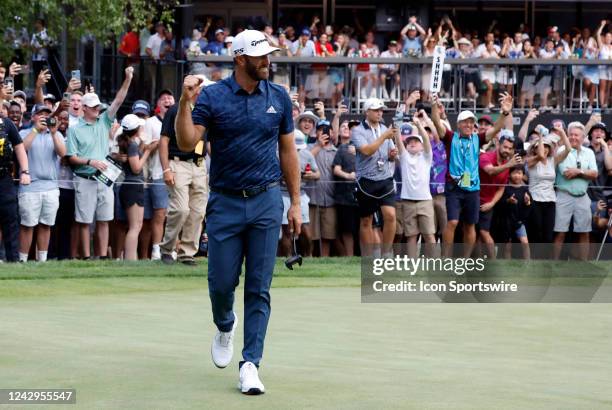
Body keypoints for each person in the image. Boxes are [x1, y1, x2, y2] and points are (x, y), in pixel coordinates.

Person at [176, 30, 300, 394]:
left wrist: (294, 201)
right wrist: (185, 103)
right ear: (241, 59)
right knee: (220, 283)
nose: (268, 61)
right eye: (261, 56)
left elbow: (288, 151)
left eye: (269, 55)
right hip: (226, 201)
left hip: (265, 200)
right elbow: (187, 141)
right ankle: (225, 324)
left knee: (259, 288)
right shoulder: (212, 96)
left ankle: (250, 364)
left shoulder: (278, 96)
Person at [431, 92, 512, 256]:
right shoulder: (450, 137)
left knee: (469, 225)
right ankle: (446, 257)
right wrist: (434, 106)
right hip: (454, 187)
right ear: (458, 124)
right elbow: (436, 123)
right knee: (452, 222)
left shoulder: (478, 138)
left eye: (471, 122)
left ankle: (465, 259)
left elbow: (496, 128)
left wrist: (504, 113)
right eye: (465, 122)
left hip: (473, 189)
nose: (469, 125)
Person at [66, 67, 134, 260]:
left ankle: (103, 256)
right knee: (84, 221)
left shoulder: (104, 121)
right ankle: (87, 257)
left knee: (105, 219)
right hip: (84, 177)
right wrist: (90, 161)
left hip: (104, 178)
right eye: (94, 107)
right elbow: (71, 157)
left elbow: (119, 100)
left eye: (98, 107)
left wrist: (127, 78)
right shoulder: (74, 129)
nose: (98, 109)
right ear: (84, 108)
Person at [159, 93, 209, 265]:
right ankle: (167, 249)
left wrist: (202, 162)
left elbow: (203, 140)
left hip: (198, 164)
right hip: (177, 163)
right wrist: (166, 169)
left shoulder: (204, 111)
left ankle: (186, 252)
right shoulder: (175, 110)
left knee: (198, 211)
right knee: (180, 209)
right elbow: (164, 141)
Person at [17, 104, 66, 262]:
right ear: (33, 117)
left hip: (51, 187)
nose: (44, 116)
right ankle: (22, 260)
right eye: (40, 114)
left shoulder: (55, 134)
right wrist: (36, 130)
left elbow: (62, 153)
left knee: (46, 225)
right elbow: (22, 148)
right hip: (29, 187)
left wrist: (53, 133)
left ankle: (42, 261)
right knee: (27, 225)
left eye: (47, 114)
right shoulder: (25, 132)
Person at [351, 98, 398, 257]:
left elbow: (390, 155)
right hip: (366, 180)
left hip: (385, 179)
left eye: (381, 110)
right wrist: (384, 136)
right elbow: (366, 151)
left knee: (390, 216)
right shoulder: (357, 131)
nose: (380, 113)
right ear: (367, 111)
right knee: (366, 220)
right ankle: (368, 257)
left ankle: (386, 254)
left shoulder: (384, 128)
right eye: (376, 110)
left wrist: (392, 155)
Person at [553, 122, 598, 260]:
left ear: (583, 137)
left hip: (582, 197)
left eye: (576, 135)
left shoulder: (589, 152)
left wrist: (578, 171)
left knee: (584, 232)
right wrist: (585, 173)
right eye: (570, 134)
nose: (573, 137)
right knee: (560, 232)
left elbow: (595, 174)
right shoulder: (562, 150)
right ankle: (552, 263)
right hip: (563, 195)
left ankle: (583, 264)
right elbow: (567, 173)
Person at [395, 117, 435, 257]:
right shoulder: (404, 157)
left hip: (425, 201)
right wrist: (397, 124)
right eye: (409, 142)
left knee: (429, 235)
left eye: (416, 141)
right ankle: (413, 266)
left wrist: (418, 124)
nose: (412, 143)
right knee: (411, 236)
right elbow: (398, 141)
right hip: (407, 201)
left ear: (422, 145)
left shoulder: (426, 157)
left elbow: (427, 139)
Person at [142, 91, 174, 260]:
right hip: (157, 173)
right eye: (163, 99)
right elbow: (143, 147)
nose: (167, 101)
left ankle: (172, 248)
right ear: (158, 104)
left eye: (170, 98)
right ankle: (156, 249)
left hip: (177, 171)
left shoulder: (178, 120)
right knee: (160, 213)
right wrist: (156, 144)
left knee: (176, 213)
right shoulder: (151, 123)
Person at [525, 128, 570, 246]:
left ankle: (545, 262)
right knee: (536, 232)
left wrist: (562, 132)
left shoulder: (553, 160)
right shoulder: (531, 161)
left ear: (550, 149)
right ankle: (533, 261)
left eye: (547, 146)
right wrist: (540, 135)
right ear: (534, 149)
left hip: (550, 200)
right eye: (541, 146)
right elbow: (540, 155)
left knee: (548, 234)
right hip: (535, 200)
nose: (544, 148)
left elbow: (568, 149)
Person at [478, 131, 520, 258]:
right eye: (505, 147)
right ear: (498, 145)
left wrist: (491, 203)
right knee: (472, 233)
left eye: (510, 148)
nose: (507, 150)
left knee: (484, 232)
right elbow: (490, 171)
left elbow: (501, 189)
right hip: (474, 199)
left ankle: (493, 262)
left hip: (488, 203)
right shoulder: (486, 157)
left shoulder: (507, 165)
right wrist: (509, 164)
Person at [117, 114, 152, 261]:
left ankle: (131, 259)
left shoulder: (130, 143)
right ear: (136, 129)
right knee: (135, 226)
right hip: (133, 186)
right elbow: (136, 168)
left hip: (131, 186)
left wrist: (144, 148)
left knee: (135, 225)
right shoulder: (131, 145)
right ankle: (130, 260)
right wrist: (148, 152)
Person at [280, 130, 319, 257]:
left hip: (301, 195)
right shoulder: (277, 153)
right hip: (282, 194)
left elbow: (318, 174)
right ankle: (288, 259)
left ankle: (309, 257)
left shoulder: (307, 154)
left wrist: (310, 175)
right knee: (287, 230)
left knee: (305, 230)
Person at [0, 116, 31, 262]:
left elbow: (19, 147)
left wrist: (25, 171)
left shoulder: (7, 124)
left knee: (11, 218)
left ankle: (13, 260)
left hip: (4, 177)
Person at [306, 120, 337, 256]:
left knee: (327, 235)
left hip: (330, 199)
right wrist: (318, 145)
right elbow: (303, 160)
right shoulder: (308, 147)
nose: (324, 132)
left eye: (327, 130)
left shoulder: (336, 151)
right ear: (316, 132)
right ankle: (310, 258)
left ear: (332, 132)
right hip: (311, 197)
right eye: (321, 130)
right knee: (311, 235)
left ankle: (325, 259)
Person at [332, 121, 360, 256]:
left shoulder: (367, 147)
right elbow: (336, 169)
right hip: (345, 197)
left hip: (364, 195)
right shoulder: (342, 149)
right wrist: (348, 176)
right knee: (347, 230)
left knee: (364, 227)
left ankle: (366, 257)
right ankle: (350, 257)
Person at [500, 166, 532, 259]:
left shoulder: (525, 189)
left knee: (525, 242)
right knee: (508, 246)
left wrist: (527, 202)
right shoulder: (505, 188)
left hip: (519, 222)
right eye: (514, 173)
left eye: (519, 173)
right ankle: (508, 265)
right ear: (509, 174)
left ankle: (528, 264)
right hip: (507, 221)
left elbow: (529, 206)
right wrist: (508, 201)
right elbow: (500, 204)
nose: (517, 176)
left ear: (523, 175)